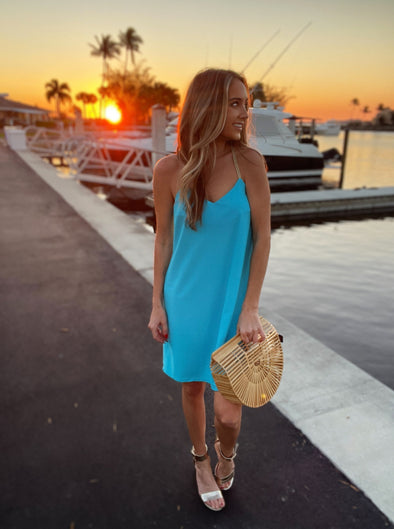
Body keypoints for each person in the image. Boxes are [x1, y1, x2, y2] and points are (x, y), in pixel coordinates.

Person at [148, 68, 271, 511]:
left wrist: (251, 306)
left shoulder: (251, 163)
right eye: (236, 103)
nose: (245, 113)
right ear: (208, 106)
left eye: (247, 105)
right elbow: (163, 239)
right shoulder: (167, 170)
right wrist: (157, 303)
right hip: (184, 301)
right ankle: (201, 459)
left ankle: (226, 452)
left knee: (229, 411)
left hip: (234, 307)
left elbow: (263, 237)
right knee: (192, 388)